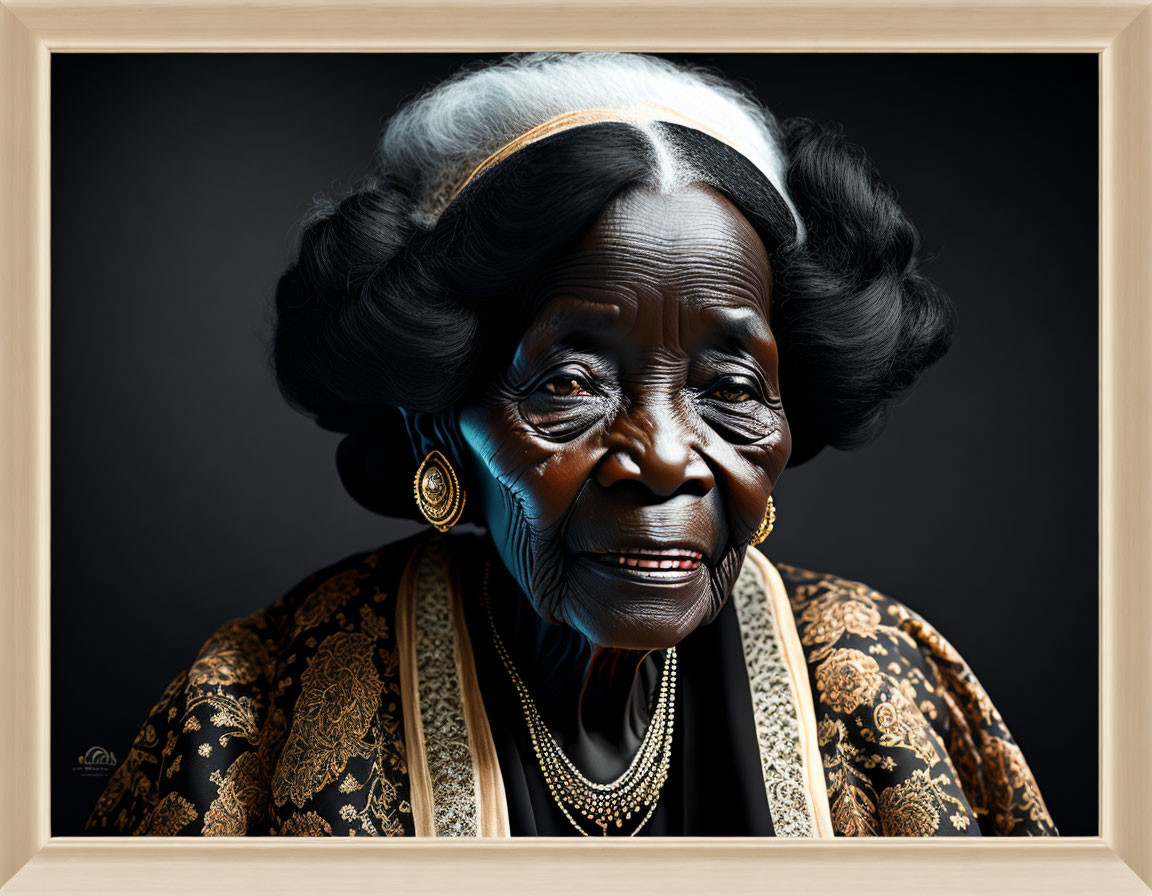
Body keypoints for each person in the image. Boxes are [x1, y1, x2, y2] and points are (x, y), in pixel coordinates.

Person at [86, 51, 1057, 838]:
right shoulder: (251, 712)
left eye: (729, 389)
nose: (668, 458)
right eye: (571, 385)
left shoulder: (889, 685)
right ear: (440, 415)